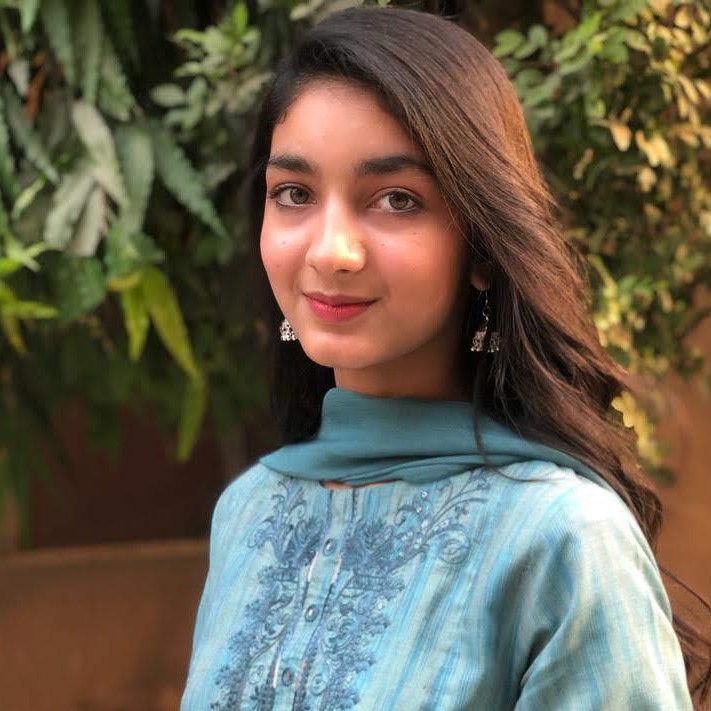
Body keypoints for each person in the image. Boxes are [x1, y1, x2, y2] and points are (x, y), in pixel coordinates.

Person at [180, 6, 709, 710]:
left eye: (396, 199)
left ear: (483, 248)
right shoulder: (249, 514)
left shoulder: (561, 538)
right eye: (294, 194)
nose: (331, 251)